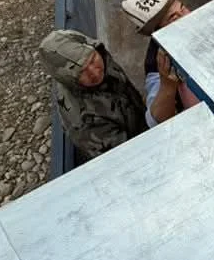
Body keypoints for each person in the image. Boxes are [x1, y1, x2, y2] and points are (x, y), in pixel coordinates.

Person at [38, 29, 146, 162]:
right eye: (81, 72)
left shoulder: (100, 56)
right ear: (70, 79)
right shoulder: (85, 122)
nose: (94, 72)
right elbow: (127, 158)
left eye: (92, 60)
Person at [120, 0, 199, 127]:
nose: (186, 16)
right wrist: (167, 85)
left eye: (182, 8)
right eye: (174, 18)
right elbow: (154, 120)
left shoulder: (200, 20)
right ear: (160, 32)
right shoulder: (157, 61)